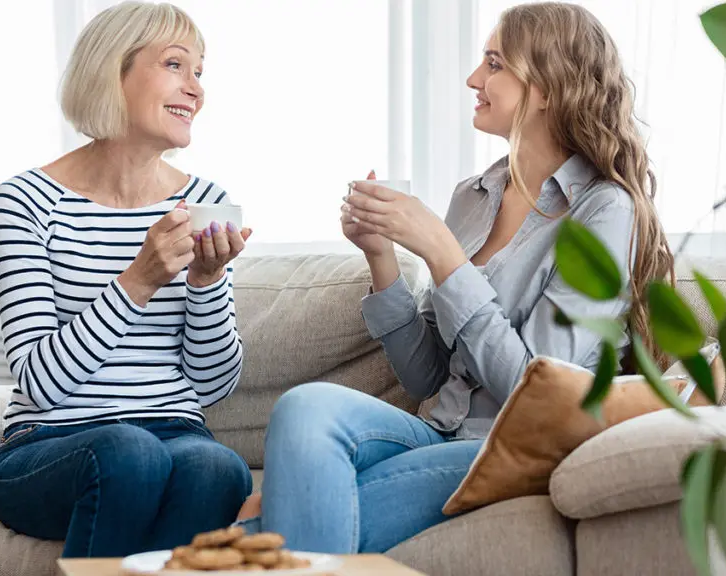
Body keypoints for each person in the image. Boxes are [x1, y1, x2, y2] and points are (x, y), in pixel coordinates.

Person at [235, 1, 672, 554]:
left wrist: (445, 256)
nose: (473, 78)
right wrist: (382, 257)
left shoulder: (604, 212)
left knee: (281, 522)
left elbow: (534, 393)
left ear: (545, 88)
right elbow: (427, 378)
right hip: (438, 431)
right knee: (305, 406)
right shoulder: (473, 196)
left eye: (494, 64)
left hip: (512, 447)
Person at [0, 1, 253, 558]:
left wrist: (205, 281)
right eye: (176, 65)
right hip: (49, 445)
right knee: (130, 452)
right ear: (113, 71)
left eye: (200, 72)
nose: (197, 89)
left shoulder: (206, 202)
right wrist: (139, 279)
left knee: (218, 467)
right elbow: (39, 380)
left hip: (176, 433)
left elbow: (211, 387)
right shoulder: (25, 202)